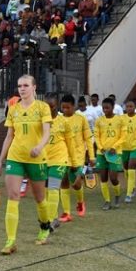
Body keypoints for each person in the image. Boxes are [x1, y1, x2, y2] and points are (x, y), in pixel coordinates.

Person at [0, 75, 52, 253]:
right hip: (15, 158)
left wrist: (39, 147)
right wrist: (0, 160)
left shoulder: (43, 107)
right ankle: (10, 241)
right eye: (19, 86)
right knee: (13, 196)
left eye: (26, 85)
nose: (22, 89)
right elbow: (9, 136)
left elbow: (47, 133)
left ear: (34, 87)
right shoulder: (13, 109)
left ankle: (44, 227)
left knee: (39, 198)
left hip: (36, 158)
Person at [43, 93, 78, 228]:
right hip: (44, 160)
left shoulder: (64, 122)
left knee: (52, 188)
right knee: (46, 190)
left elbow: (70, 144)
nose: (48, 109)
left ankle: (51, 221)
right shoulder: (40, 122)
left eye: (51, 106)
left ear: (56, 105)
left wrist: (74, 163)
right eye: (45, 106)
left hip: (59, 159)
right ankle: (51, 217)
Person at [59, 94, 95, 221]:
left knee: (76, 184)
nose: (65, 110)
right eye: (63, 108)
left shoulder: (81, 119)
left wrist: (92, 156)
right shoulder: (59, 120)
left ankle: (80, 202)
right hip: (63, 156)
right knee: (63, 180)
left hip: (78, 156)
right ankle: (66, 213)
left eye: (67, 107)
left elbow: (88, 138)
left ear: (73, 106)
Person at [94, 97, 127, 210]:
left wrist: (114, 147)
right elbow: (96, 136)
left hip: (115, 153)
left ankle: (117, 195)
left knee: (113, 177)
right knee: (103, 177)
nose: (105, 110)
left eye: (107, 107)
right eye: (103, 108)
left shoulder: (120, 120)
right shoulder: (99, 120)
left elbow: (123, 136)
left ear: (113, 107)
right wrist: (101, 148)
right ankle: (107, 201)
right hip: (101, 153)